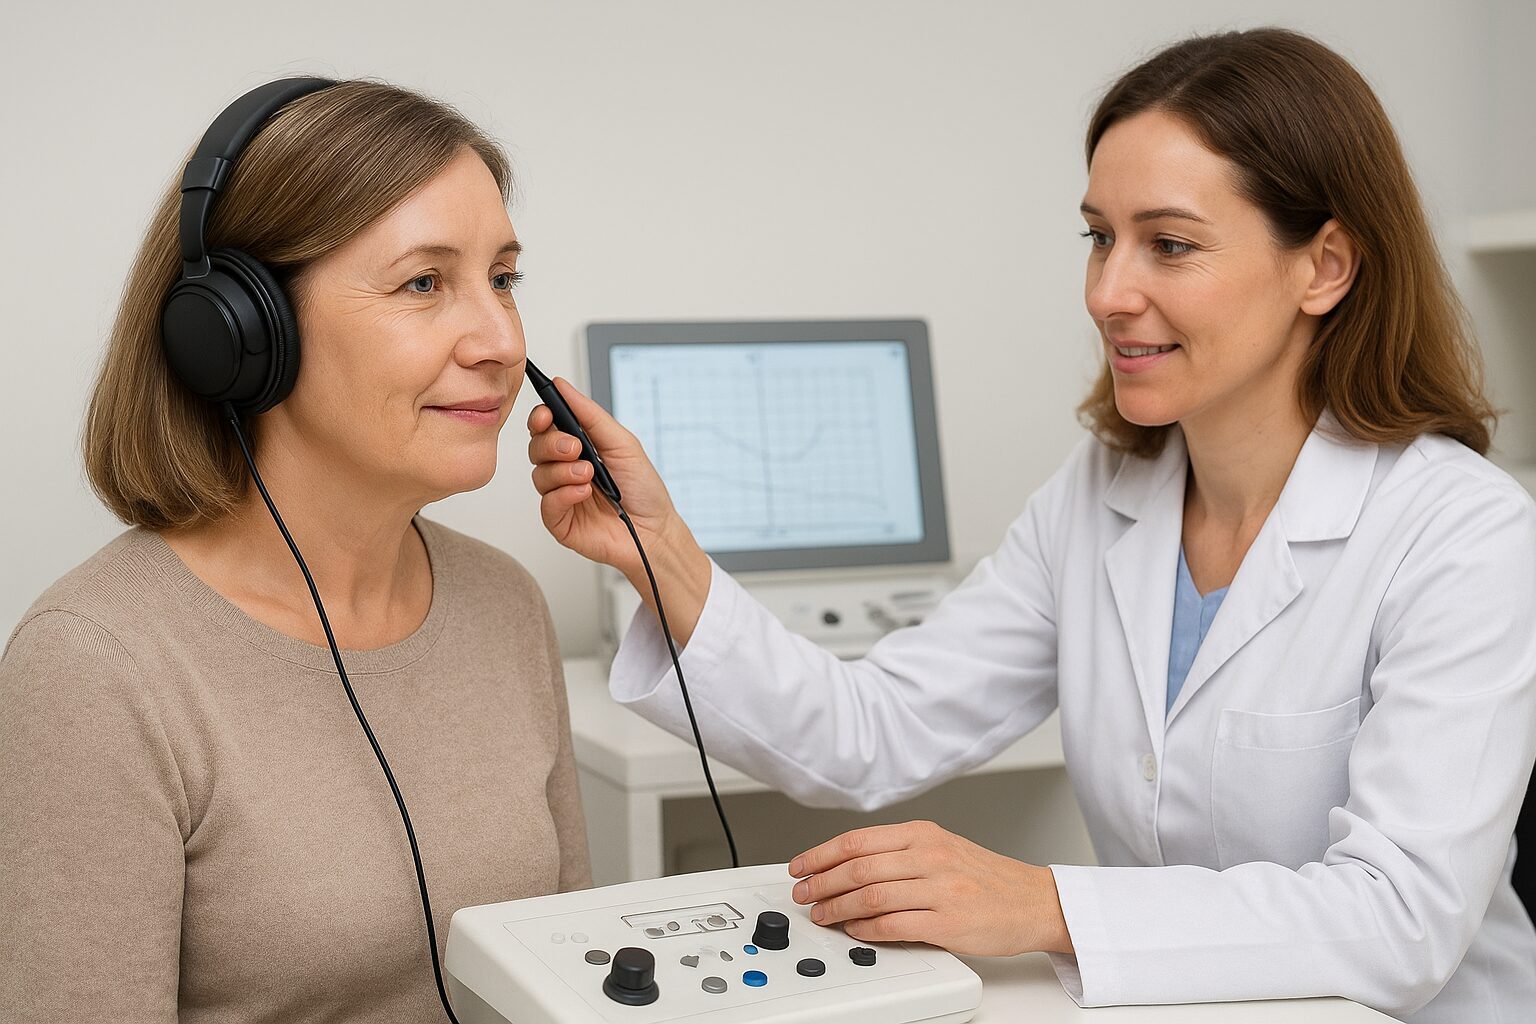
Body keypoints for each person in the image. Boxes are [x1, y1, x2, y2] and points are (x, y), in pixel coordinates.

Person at [527, 27, 1536, 1022]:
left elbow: (1402, 918)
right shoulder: (1099, 494)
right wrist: (663, 557)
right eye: (1100, 236)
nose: (1106, 293)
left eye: (1169, 245)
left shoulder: (1462, 533)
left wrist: (1044, 903)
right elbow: (873, 731)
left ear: (1325, 266)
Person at [0, 80, 590, 1021]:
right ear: (238, 329)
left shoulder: (504, 603)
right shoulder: (96, 666)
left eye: (503, 280)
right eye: (424, 283)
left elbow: (560, 986)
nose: (499, 341)